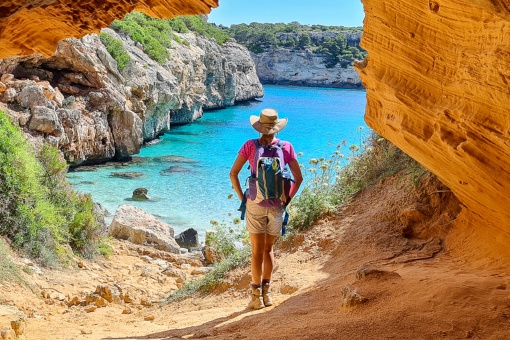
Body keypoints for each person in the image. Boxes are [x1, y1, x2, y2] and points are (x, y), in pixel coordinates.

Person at [229, 108, 303, 309]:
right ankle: (267, 294)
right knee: (269, 250)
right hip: (278, 205)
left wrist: (243, 199)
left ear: (259, 128)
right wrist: (286, 200)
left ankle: (255, 297)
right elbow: (299, 178)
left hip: (255, 203)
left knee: (256, 252)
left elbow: (233, 174)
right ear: (276, 128)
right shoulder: (286, 147)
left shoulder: (249, 146)